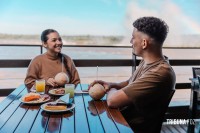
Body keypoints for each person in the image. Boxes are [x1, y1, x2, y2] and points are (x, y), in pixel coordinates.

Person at [89, 17, 176, 133]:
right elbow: (130, 82)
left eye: (133, 37)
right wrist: (111, 84)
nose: (131, 41)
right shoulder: (146, 62)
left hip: (131, 128)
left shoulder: (160, 73)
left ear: (144, 43)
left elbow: (112, 101)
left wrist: (111, 89)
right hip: (122, 121)